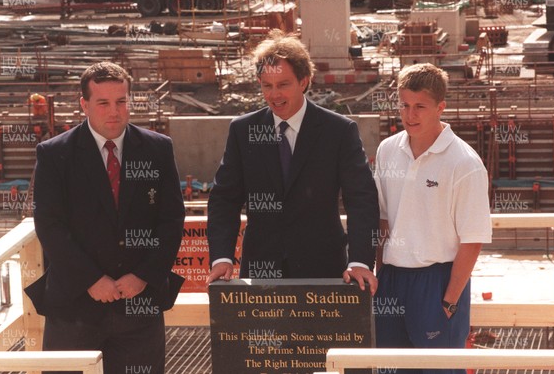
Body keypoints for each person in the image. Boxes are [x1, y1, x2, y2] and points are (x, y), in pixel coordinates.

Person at [26, 61, 185, 374]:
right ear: (84, 104)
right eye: (103, 103)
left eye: (121, 102)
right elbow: (50, 225)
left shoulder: (157, 149)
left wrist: (143, 276)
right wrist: (91, 280)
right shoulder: (55, 154)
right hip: (74, 309)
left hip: (139, 307)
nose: (115, 111)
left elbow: (171, 220)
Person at [206, 29, 379, 294]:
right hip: (260, 274)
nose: (274, 95)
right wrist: (221, 257)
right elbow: (224, 199)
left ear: (304, 82)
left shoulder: (339, 132)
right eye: (267, 86)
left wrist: (359, 261)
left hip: (324, 272)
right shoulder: (242, 131)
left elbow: (362, 199)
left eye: (283, 84)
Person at [373, 63, 492, 374]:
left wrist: (450, 301)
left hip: (438, 283)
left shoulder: (464, 163)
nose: (410, 115)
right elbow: (383, 220)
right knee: (389, 369)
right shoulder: (387, 150)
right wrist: (381, 272)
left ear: (441, 107)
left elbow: (473, 238)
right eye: (404, 105)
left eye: (420, 107)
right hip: (392, 280)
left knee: (440, 372)